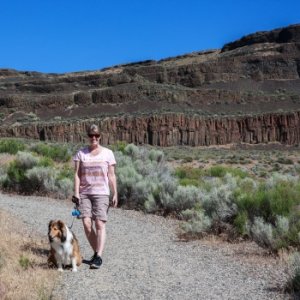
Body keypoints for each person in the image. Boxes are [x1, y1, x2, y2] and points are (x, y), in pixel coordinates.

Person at [73, 124, 118, 269]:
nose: (94, 138)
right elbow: (77, 175)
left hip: (102, 193)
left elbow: (111, 175)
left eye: (96, 136)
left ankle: (98, 256)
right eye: (91, 136)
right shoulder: (81, 153)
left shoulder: (108, 153)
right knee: (86, 223)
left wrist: (115, 192)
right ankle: (96, 252)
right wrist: (76, 193)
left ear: (100, 137)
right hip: (84, 193)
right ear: (88, 137)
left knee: (99, 223)